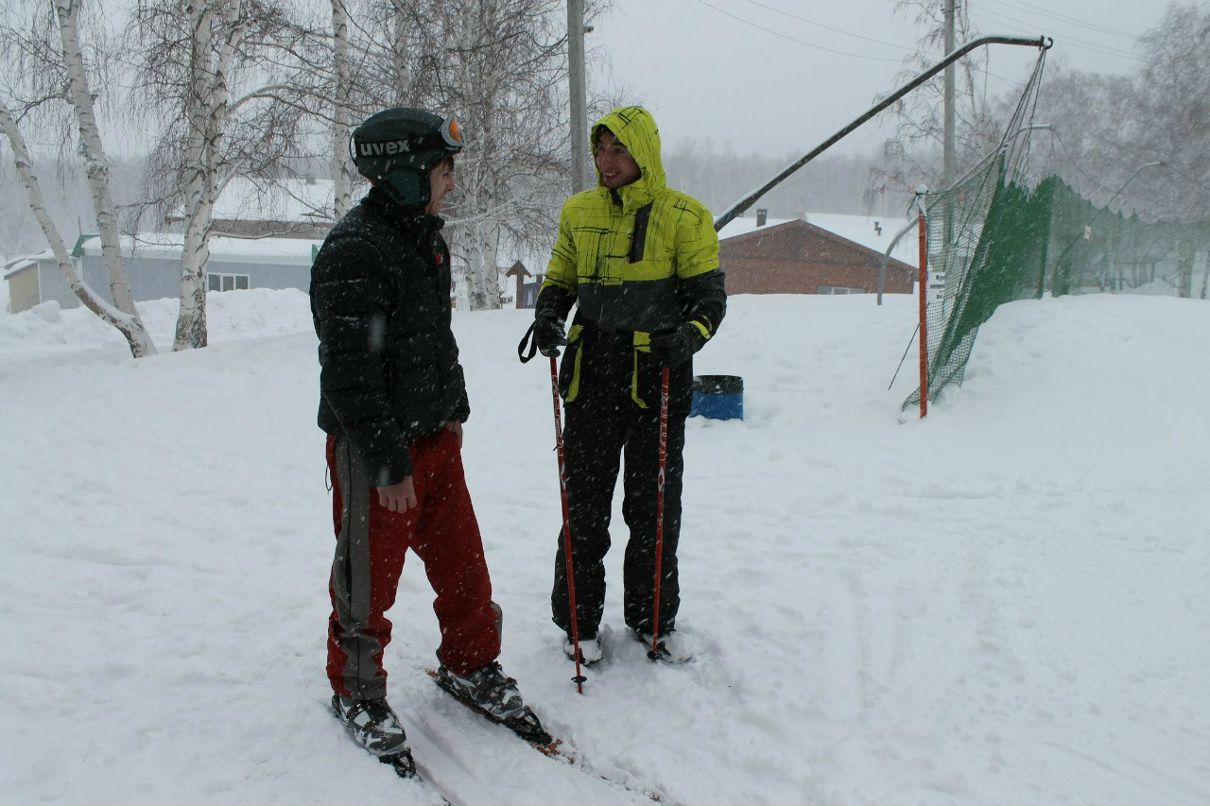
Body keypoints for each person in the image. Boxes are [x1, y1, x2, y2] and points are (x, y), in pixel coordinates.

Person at [311, 107, 540, 773]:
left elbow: (435, 338)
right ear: (406, 177)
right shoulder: (355, 249)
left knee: (464, 566)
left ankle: (471, 664)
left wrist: (454, 405)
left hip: (435, 438)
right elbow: (350, 374)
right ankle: (357, 691)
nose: (452, 184)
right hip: (376, 452)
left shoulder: (425, 239)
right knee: (367, 583)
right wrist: (386, 463)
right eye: (444, 172)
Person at [530, 105, 727, 665]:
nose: (607, 161)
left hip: (657, 380)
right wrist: (548, 315)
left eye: (618, 150)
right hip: (592, 377)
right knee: (584, 506)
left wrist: (689, 336)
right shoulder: (579, 210)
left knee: (655, 508)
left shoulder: (686, 216)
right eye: (601, 149)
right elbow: (560, 277)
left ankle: (652, 618)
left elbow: (709, 299)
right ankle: (578, 623)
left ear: (643, 154)